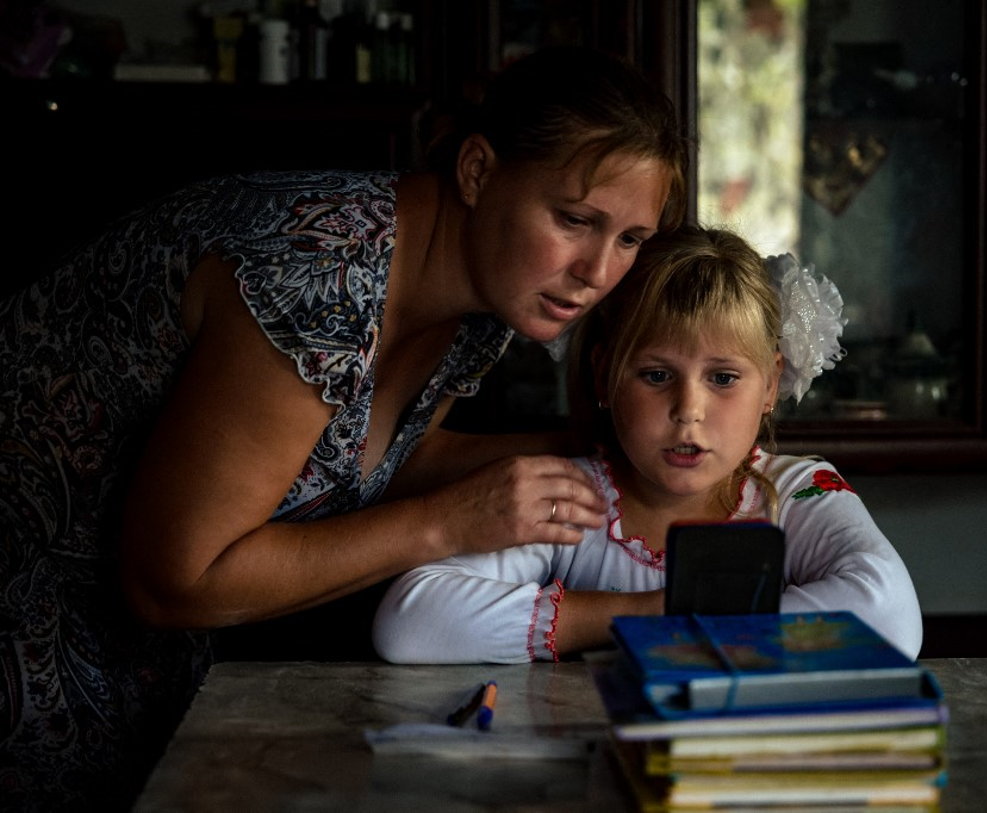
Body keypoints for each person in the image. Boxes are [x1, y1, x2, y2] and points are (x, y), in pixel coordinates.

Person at [0, 46, 686, 810]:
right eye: (574, 220)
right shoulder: (320, 275)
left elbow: (377, 455)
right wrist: (447, 524)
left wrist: (613, 456)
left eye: (629, 239)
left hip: (141, 664)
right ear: (478, 172)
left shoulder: (486, 301)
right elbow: (175, 579)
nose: (597, 270)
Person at [371, 225, 923, 666]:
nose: (689, 409)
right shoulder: (572, 497)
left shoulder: (795, 497)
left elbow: (889, 614)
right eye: (657, 375)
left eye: (724, 378)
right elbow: (411, 622)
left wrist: (657, 625)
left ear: (771, 384)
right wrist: (650, 614)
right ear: (606, 374)